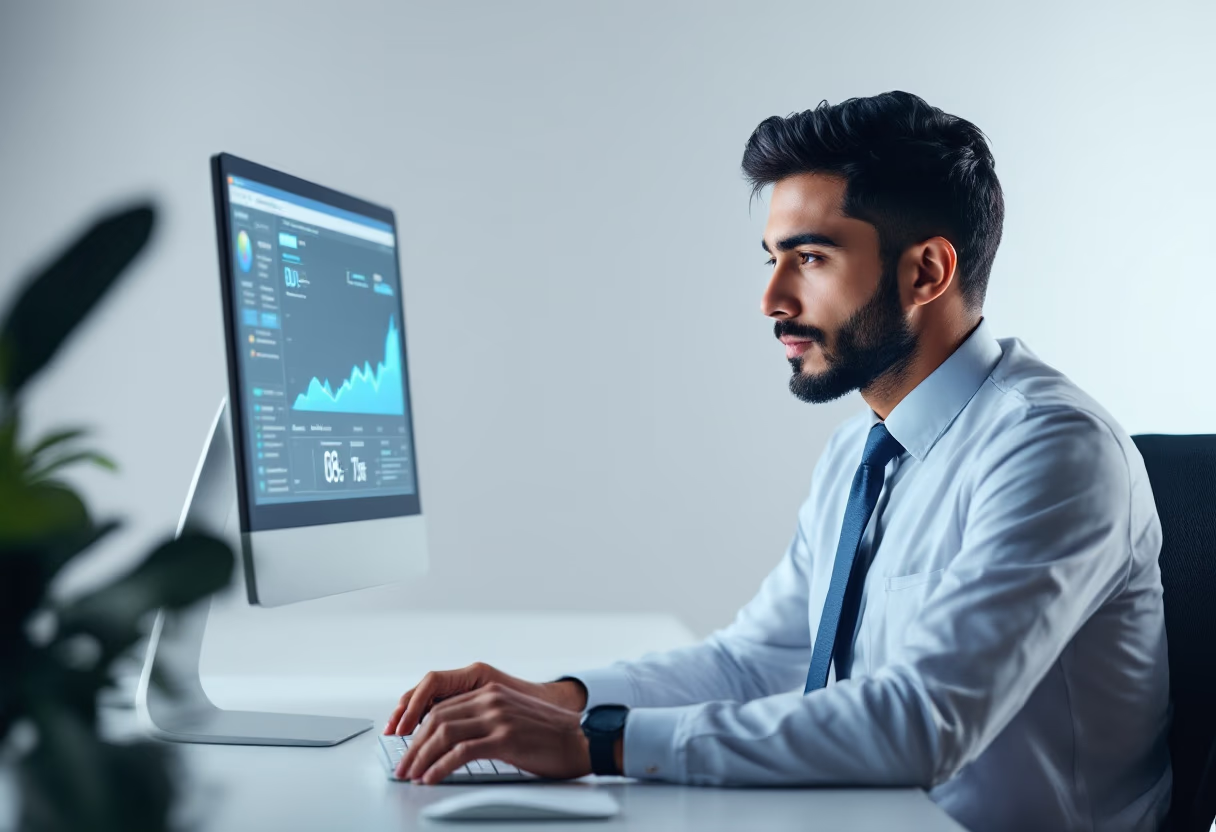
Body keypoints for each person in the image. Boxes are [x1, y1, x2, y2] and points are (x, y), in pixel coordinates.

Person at [383, 91, 1172, 832]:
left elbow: (922, 723)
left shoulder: (1051, 450)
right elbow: (753, 660)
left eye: (811, 259)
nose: (772, 300)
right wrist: (557, 700)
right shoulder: (863, 452)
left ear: (927, 271)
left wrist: (597, 741)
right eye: (771, 258)